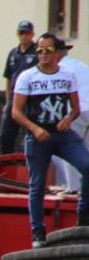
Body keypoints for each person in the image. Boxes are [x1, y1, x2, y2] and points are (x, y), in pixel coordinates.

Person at [11, 33, 89, 247]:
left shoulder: (67, 75)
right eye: (39, 51)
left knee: (87, 165)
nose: (43, 55)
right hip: (38, 136)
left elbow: (75, 108)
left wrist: (69, 119)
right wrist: (35, 129)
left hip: (62, 134)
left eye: (47, 50)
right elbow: (16, 112)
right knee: (37, 183)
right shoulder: (27, 77)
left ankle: (83, 215)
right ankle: (37, 231)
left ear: (56, 53)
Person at [52, 47, 89, 192]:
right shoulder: (81, 65)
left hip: (77, 110)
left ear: (57, 54)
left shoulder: (60, 69)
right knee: (86, 151)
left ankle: (73, 188)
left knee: (69, 148)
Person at [1, 21, 38, 154]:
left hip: (31, 98)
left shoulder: (37, 52)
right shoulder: (13, 53)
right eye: (21, 33)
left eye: (27, 33)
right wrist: (7, 101)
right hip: (14, 98)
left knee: (29, 134)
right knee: (6, 134)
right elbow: (8, 77)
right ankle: (9, 165)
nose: (24, 36)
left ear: (32, 34)